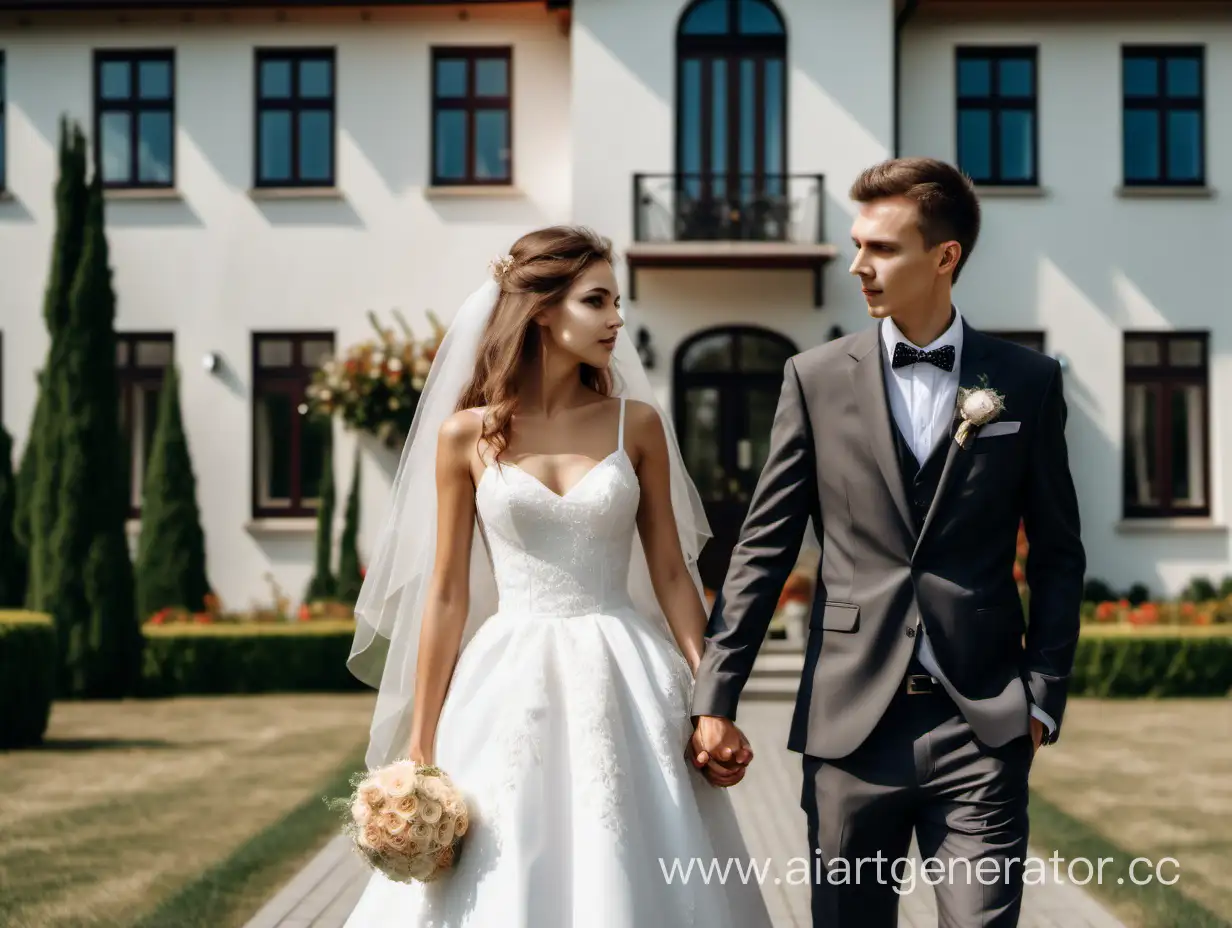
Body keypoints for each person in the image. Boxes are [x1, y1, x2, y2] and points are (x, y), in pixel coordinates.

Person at [688, 157, 1086, 927]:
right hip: (848, 726)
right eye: (856, 243)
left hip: (981, 723)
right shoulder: (813, 378)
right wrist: (717, 695)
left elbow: (1060, 553)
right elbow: (764, 549)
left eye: (882, 249)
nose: (858, 266)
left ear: (946, 257)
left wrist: (1042, 694)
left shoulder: (1027, 382)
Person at [344, 226, 772, 928]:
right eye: (596, 301)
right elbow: (448, 593)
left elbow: (670, 570)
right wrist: (420, 743)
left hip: (628, 674)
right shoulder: (466, 436)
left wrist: (711, 699)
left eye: (617, 301)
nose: (616, 320)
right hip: (506, 678)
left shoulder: (637, 425)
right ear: (542, 311)